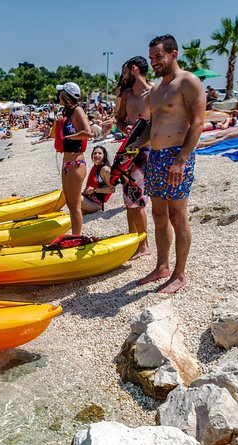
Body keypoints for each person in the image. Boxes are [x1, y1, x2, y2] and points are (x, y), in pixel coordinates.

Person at [128, 34, 206, 293]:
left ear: (174, 54)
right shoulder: (157, 90)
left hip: (176, 157)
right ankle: (162, 266)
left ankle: (179, 274)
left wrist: (181, 161)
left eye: (158, 57)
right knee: (158, 215)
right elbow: (153, 125)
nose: (154, 62)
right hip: (156, 157)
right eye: (151, 58)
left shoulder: (189, 82)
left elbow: (197, 123)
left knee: (177, 216)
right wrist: (136, 145)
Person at [115, 55, 153, 259]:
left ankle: (144, 245)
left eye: (125, 72)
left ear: (134, 69)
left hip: (144, 151)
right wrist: (125, 127)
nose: (123, 76)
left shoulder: (154, 92)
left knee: (137, 199)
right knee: (128, 196)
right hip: (128, 149)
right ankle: (133, 240)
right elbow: (119, 120)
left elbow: (157, 121)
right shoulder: (128, 94)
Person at [52, 82, 92, 235]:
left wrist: (70, 137)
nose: (58, 96)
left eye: (60, 93)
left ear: (66, 95)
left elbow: (88, 132)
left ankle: (76, 237)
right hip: (66, 163)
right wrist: (57, 122)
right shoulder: (65, 112)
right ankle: (74, 235)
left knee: (75, 206)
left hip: (76, 162)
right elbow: (53, 136)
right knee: (69, 204)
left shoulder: (78, 111)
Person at [81, 146, 114, 214]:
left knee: (72, 196)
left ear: (104, 156)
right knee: (67, 192)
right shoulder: (95, 167)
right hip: (88, 199)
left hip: (95, 204)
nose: (97, 155)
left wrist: (94, 190)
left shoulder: (105, 170)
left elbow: (112, 189)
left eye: (100, 153)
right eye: (95, 153)